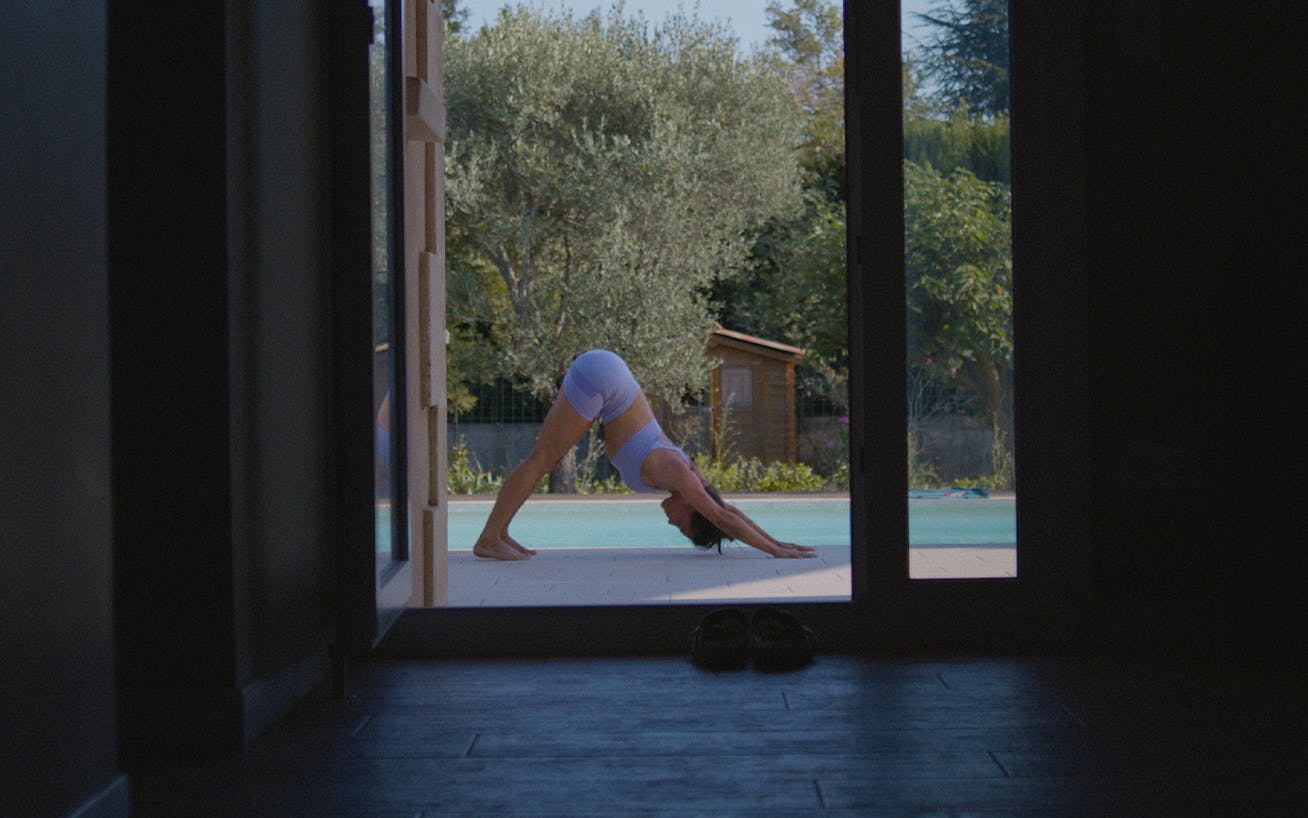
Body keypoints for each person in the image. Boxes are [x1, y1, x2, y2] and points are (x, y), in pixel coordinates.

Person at [473, 349, 818, 561]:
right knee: (543, 459)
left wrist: (779, 540)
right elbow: (723, 518)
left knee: (543, 458)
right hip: (602, 379)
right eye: (683, 525)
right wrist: (776, 552)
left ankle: (499, 534)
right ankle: (489, 539)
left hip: (607, 375)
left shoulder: (690, 475)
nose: (672, 523)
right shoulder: (680, 475)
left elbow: (728, 511)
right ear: (694, 509)